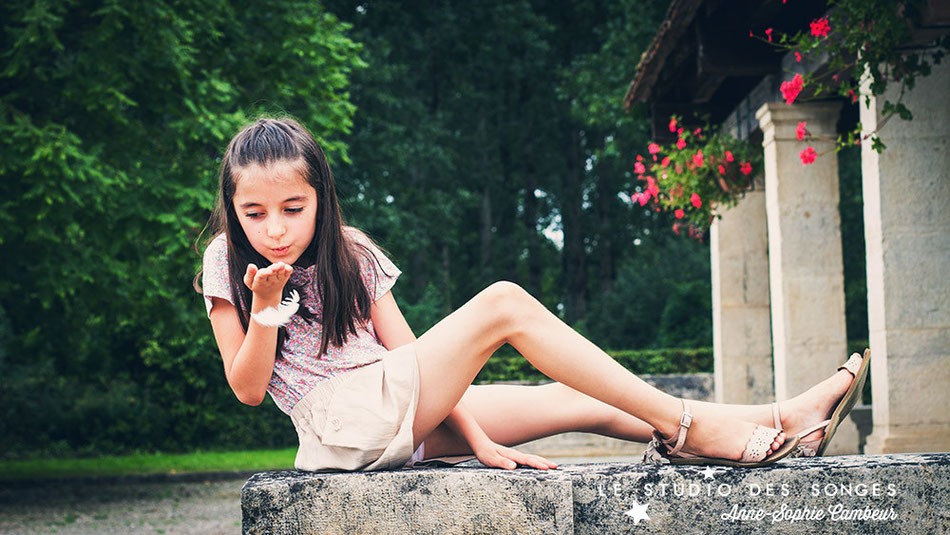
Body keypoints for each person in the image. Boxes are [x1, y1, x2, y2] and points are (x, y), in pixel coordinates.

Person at [196, 117, 869, 472]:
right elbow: (249, 388)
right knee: (505, 302)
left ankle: (786, 420)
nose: (275, 228)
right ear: (234, 206)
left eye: (292, 206)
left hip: (393, 412)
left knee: (578, 401)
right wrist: (263, 312)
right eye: (255, 212)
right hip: (337, 427)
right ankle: (693, 430)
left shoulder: (351, 251)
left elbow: (409, 357)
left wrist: (482, 442)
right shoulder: (226, 260)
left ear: (321, 198)